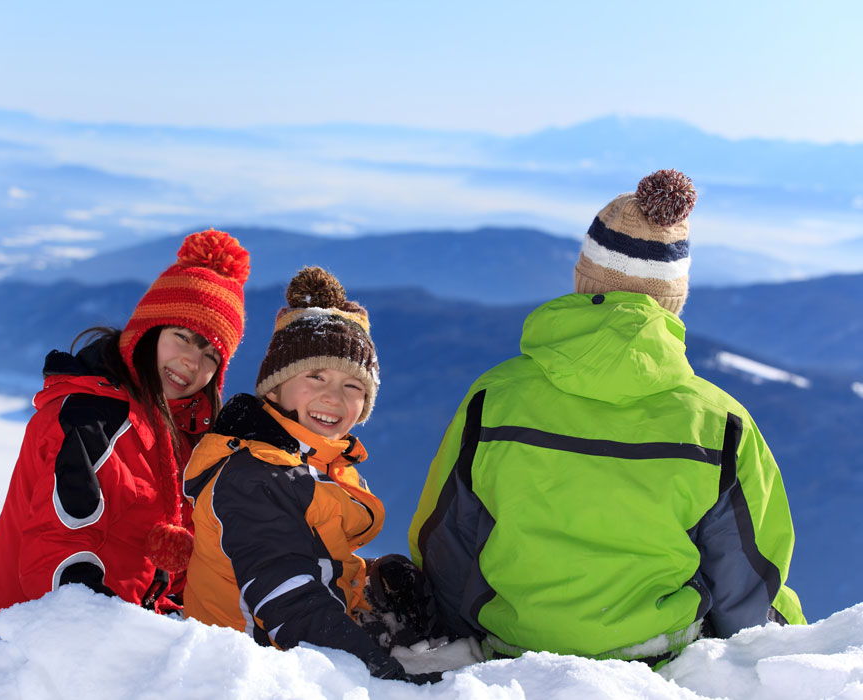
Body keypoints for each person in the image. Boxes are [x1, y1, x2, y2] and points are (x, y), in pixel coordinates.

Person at [409, 169, 806, 666]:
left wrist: (456, 628)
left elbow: (444, 537)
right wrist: (783, 639)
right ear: (673, 301)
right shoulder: (717, 421)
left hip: (513, 657)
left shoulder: (494, 398)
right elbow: (746, 574)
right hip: (656, 663)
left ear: (582, 279)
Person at [181, 267, 439, 684]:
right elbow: (288, 600)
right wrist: (384, 682)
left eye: (353, 386)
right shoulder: (253, 477)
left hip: (294, 633)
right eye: (315, 376)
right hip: (251, 669)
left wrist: (373, 580)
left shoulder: (311, 459)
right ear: (275, 389)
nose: (333, 397)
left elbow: (314, 554)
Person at [0, 229, 249, 617]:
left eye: (211, 355)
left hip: (119, 625)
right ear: (149, 330)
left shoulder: (181, 435)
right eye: (183, 337)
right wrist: (118, 640)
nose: (193, 361)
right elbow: (59, 550)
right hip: (50, 633)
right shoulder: (91, 421)